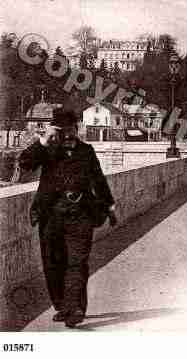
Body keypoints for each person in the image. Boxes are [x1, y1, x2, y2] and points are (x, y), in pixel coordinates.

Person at [18, 109, 117, 328]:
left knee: (77, 262)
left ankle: (76, 308)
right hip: (51, 216)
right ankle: (62, 305)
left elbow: (98, 179)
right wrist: (44, 141)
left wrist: (109, 206)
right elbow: (24, 163)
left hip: (80, 214)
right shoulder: (48, 150)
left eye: (71, 130)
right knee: (53, 263)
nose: (68, 136)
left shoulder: (86, 151)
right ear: (56, 131)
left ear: (77, 128)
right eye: (63, 132)